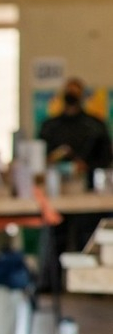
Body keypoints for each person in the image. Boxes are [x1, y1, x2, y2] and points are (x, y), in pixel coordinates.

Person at [37, 77, 113, 290]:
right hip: (56, 190)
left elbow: (106, 158)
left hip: (88, 191)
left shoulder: (95, 125)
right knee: (55, 238)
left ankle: (89, 284)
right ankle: (51, 283)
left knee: (86, 238)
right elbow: (40, 156)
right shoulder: (51, 126)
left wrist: (85, 165)